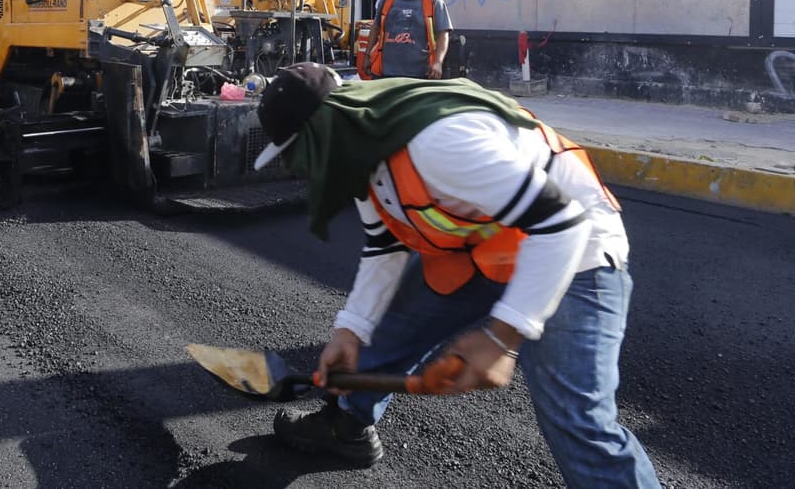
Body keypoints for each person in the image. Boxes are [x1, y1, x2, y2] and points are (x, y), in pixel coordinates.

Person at [253, 63, 660, 488]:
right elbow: (384, 246)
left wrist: (502, 338)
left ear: (326, 131)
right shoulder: (362, 153)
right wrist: (350, 330)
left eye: (301, 153)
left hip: (574, 246)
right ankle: (346, 427)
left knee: (577, 418)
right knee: (387, 326)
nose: (304, 168)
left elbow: (561, 222)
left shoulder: (437, 142)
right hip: (485, 244)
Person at [359, 0, 452, 79]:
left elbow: (443, 35)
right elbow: (375, 27)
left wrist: (438, 62)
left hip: (421, 74)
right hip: (385, 73)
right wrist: (367, 55)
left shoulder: (434, 2)